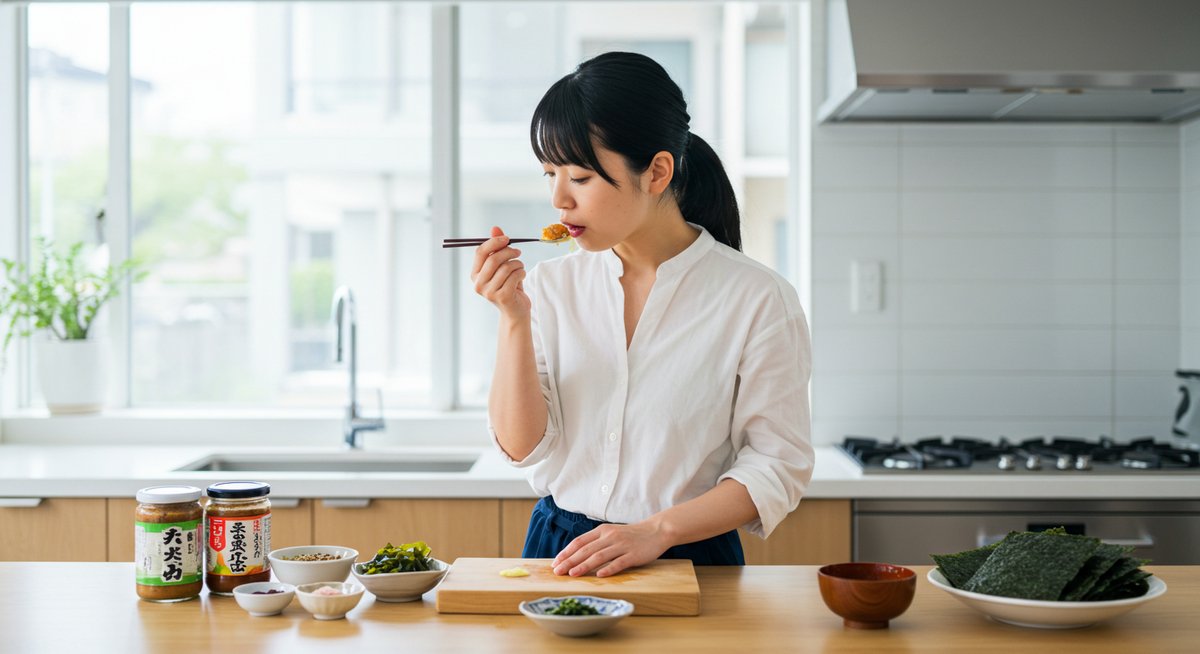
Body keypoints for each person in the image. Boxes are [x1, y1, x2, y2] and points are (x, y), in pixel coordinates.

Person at [470, 51, 813, 578]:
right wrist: (513, 318)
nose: (559, 199)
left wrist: (658, 531)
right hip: (562, 553)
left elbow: (777, 465)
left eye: (580, 177)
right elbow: (521, 447)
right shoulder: (549, 288)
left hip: (691, 558)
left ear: (656, 172)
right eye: (549, 174)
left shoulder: (757, 298)